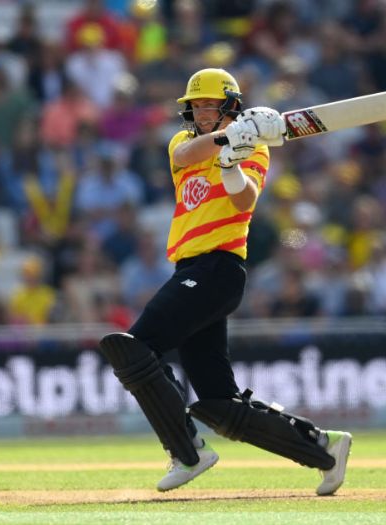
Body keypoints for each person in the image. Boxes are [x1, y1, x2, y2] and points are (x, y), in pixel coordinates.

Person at [97, 67, 352, 494]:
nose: (199, 112)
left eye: (209, 105)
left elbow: (245, 199)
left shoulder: (257, 151)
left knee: (134, 347)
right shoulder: (186, 142)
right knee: (218, 401)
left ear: (229, 106)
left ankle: (187, 452)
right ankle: (323, 448)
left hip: (218, 269)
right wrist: (226, 141)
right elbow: (183, 157)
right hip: (191, 271)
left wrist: (234, 161)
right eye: (195, 106)